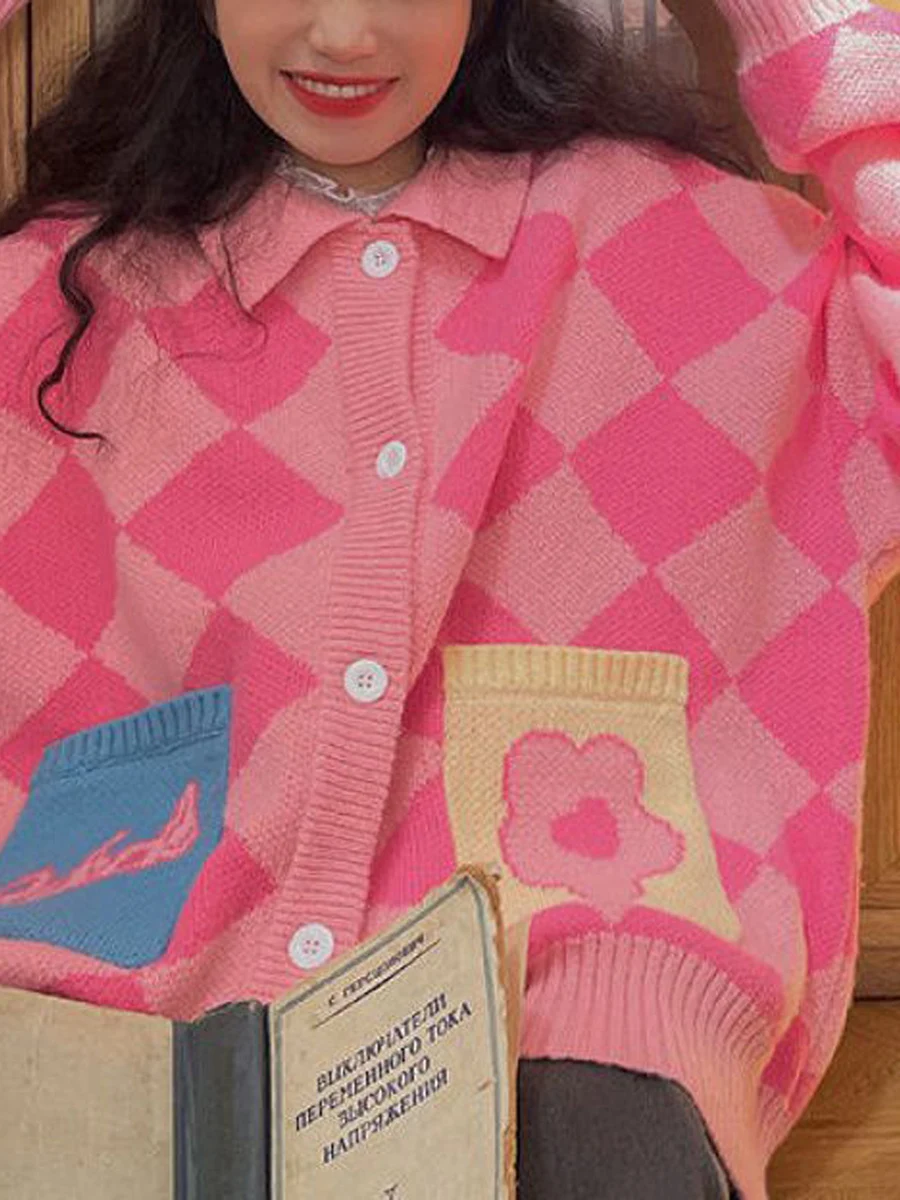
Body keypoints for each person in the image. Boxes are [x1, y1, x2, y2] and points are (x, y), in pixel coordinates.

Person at [0, 0, 897, 1195]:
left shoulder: (673, 242)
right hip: (107, 1043)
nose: (344, 35)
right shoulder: (65, 300)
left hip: (582, 1037)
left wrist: (794, 14)